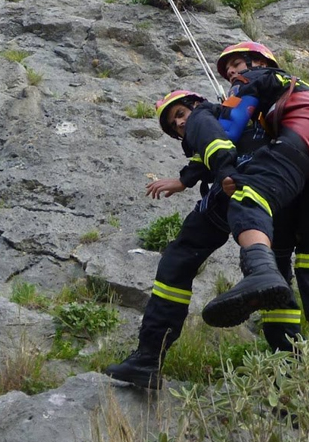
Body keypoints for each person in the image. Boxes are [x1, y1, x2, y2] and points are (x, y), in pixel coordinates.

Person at [203, 42, 309, 392]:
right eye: (228, 69)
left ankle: (259, 272)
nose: (232, 73)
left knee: (248, 196)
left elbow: (230, 127)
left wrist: (205, 122)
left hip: (308, 136)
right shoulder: (299, 88)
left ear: (258, 61)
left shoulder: (257, 78)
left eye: (236, 65)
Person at [105, 87, 267, 389]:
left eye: (180, 114)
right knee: (274, 276)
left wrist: (226, 175)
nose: (180, 124)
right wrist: (184, 179)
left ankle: (148, 358)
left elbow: (216, 148)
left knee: (178, 261)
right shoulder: (228, 124)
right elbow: (207, 153)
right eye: (173, 125)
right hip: (260, 187)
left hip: (232, 188)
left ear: (195, 104)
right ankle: (306, 372)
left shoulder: (203, 115)